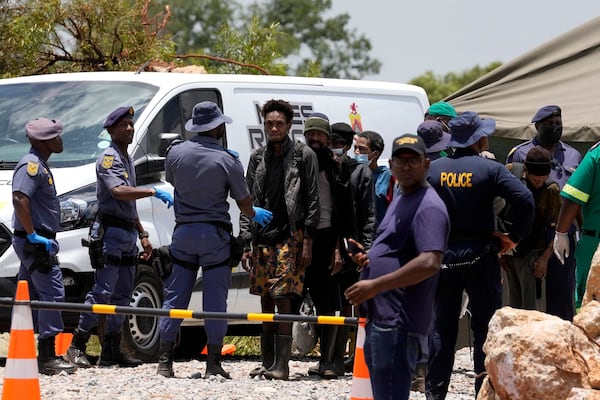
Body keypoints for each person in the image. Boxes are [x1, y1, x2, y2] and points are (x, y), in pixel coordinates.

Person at [156, 101, 272, 379]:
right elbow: (244, 203)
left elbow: (174, 182)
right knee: (215, 301)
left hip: (183, 234)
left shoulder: (175, 153)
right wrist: (254, 213)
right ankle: (213, 364)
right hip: (214, 237)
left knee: (174, 299)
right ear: (217, 126)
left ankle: (164, 362)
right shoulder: (228, 160)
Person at [426, 111, 535, 399]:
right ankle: (483, 392)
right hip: (481, 255)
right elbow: (524, 200)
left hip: (444, 255)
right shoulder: (491, 169)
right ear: (479, 139)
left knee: (442, 328)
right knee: (485, 329)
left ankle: (434, 393)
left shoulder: (434, 170)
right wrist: (512, 238)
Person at [344, 134, 450, 400]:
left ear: (426, 164)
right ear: (390, 164)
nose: (406, 167)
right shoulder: (403, 197)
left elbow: (430, 261)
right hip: (383, 316)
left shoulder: (428, 205)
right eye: (400, 161)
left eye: (412, 161)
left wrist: (375, 284)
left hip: (399, 320)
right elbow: (399, 250)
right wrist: (369, 259)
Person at [67, 106, 173, 369]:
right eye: (123, 125)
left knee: (123, 294)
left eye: (130, 124)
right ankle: (76, 345)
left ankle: (111, 349)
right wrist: (150, 192)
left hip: (127, 232)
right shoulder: (109, 159)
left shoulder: (126, 159)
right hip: (111, 233)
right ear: (111, 130)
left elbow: (130, 205)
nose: (129, 128)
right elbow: (118, 191)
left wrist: (143, 233)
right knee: (102, 292)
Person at [239, 99, 320, 381]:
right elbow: (246, 201)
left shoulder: (302, 155)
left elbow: (312, 200)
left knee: (284, 297)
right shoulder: (257, 157)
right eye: (269, 123)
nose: (274, 128)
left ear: (288, 125)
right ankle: (268, 361)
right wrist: (247, 240)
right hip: (262, 238)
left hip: (289, 237)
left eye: (279, 123)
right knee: (264, 297)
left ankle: (282, 366)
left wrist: (307, 241)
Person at [12, 118, 77, 375]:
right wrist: (32, 235)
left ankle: (25, 349)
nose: (60, 140)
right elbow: (20, 198)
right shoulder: (31, 165)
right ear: (43, 141)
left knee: (26, 295)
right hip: (36, 241)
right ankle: (48, 356)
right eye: (56, 136)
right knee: (52, 293)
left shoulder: (40, 165)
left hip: (39, 238)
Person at [506, 105, 580, 319]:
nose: (555, 128)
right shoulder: (520, 153)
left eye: (558, 124)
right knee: (533, 302)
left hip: (564, 234)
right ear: (538, 126)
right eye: (549, 124)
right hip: (532, 238)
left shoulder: (573, 155)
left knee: (562, 295)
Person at [302, 113, 359, 379]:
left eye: (320, 134)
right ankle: (279, 363)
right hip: (297, 239)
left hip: (327, 239)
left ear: (327, 138)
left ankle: (330, 361)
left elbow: (344, 212)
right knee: (290, 300)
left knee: (327, 304)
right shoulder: (296, 161)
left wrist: (338, 248)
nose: (315, 138)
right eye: (310, 134)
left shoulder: (337, 167)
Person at [501, 146, 561, 311]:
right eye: (535, 179)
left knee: (531, 308)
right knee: (513, 306)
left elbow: (558, 227)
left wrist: (545, 258)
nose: (539, 182)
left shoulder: (551, 190)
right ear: (526, 170)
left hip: (533, 251)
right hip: (509, 247)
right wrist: (500, 251)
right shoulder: (511, 173)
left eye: (544, 178)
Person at [554, 139, 600, 310]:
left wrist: (561, 233)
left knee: (589, 305)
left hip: (595, 245)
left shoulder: (597, 154)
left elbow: (574, 196)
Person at [354, 130, 394, 228]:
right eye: (355, 148)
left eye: (361, 149)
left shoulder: (386, 177)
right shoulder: (352, 174)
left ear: (375, 154)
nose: (356, 152)